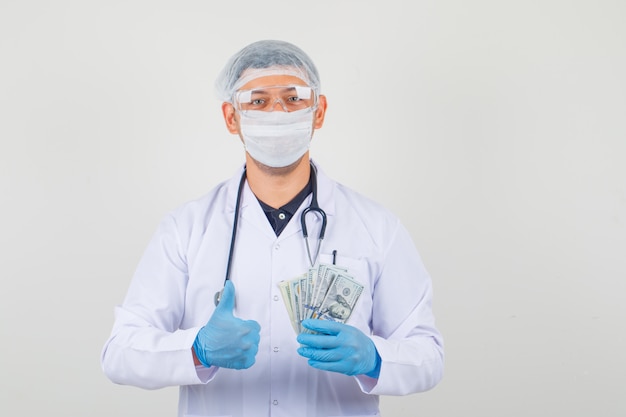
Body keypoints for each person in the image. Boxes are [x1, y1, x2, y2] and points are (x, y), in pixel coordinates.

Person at [101, 39, 444, 417]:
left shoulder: (377, 227)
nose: (278, 112)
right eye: (258, 100)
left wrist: (375, 359)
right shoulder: (186, 228)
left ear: (319, 111)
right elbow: (119, 353)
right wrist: (196, 350)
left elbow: (427, 355)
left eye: (294, 98)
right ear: (231, 117)